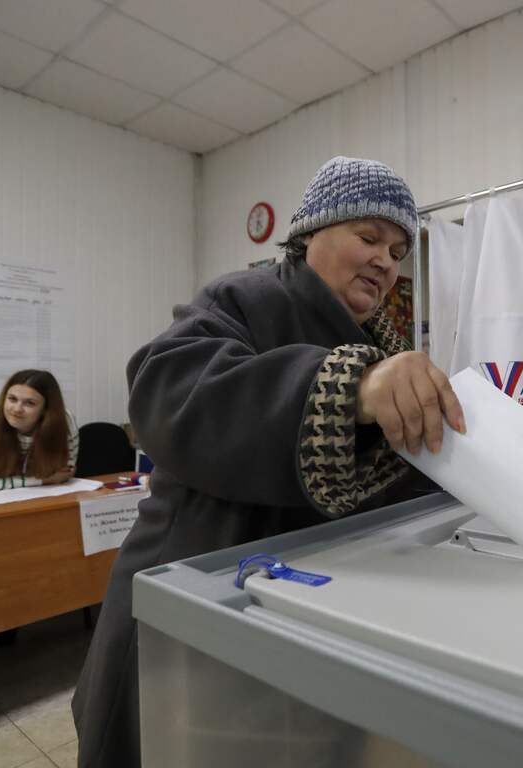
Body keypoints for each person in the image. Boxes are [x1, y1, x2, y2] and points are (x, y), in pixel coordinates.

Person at [73, 156, 465, 767]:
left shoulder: (384, 347)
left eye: (397, 250)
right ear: (310, 234)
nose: (387, 262)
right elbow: (165, 389)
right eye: (368, 238)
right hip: (191, 599)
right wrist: (348, 387)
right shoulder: (246, 297)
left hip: (293, 617)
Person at [0, 369, 78, 494]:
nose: (17, 409)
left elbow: (64, 475)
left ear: (46, 409)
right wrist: (41, 480)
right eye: (12, 399)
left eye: (29, 403)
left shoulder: (63, 420)